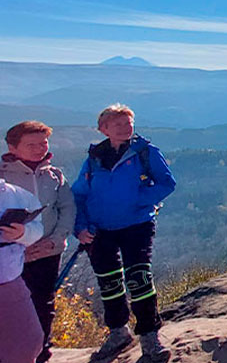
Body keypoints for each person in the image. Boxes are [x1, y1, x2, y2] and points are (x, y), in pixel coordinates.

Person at [72, 104, 176, 363]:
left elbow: (167, 183)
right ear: (103, 129)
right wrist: (80, 227)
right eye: (117, 124)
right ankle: (118, 332)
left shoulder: (145, 152)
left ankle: (150, 337)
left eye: (128, 123)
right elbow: (79, 194)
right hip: (99, 229)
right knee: (109, 282)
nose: (125, 128)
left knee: (139, 278)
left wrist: (138, 200)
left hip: (137, 225)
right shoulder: (94, 158)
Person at [2, 121, 75, 363]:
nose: (39, 149)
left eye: (43, 143)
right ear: (12, 148)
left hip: (47, 251)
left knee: (44, 301)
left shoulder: (54, 175)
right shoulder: (3, 178)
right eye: (31, 144)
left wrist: (55, 241)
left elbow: (67, 209)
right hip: (12, 256)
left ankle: (42, 352)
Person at [0, 175, 46, 363]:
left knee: (29, 340)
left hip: (9, 279)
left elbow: (38, 228)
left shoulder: (17, 195)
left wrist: (23, 233)